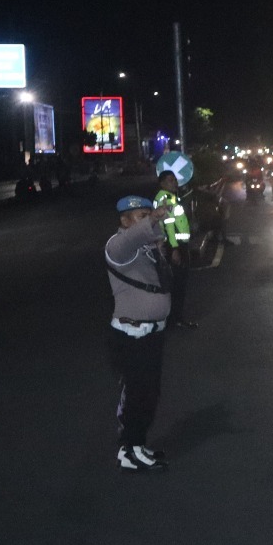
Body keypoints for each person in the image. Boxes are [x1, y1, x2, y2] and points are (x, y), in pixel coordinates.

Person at [105, 195, 176, 471]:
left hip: (151, 334)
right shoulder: (118, 246)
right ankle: (129, 451)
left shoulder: (146, 246)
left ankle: (138, 445)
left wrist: (158, 241)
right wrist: (152, 222)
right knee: (136, 394)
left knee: (149, 393)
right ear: (124, 220)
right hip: (132, 335)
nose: (147, 217)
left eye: (148, 213)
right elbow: (129, 240)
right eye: (140, 215)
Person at [154, 169, 195, 328]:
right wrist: (175, 249)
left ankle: (174, 318)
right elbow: (169, 224)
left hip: (176, 245)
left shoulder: (170, 197)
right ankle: (176, 319)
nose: (174, 183)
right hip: (174, 246)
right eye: (170, 180)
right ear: (162, 183)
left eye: (175, 180)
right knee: (178, 284)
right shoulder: (165, 199)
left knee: (176, 284)